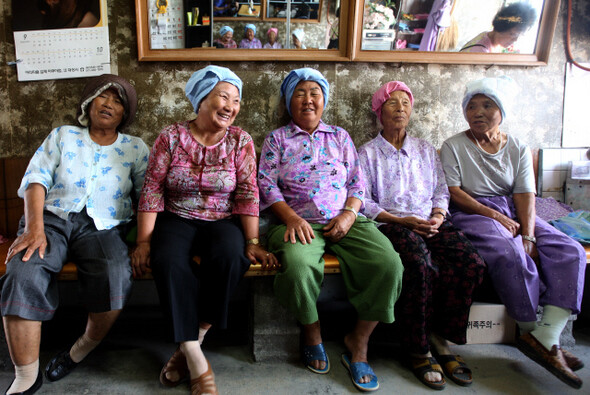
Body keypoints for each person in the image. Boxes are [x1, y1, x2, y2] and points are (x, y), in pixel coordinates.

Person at [132, 66, 276, 395]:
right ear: (201, 100)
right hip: (177, 217)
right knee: (166, 261)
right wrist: (143, 241)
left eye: (236, 100)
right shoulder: (170, 137)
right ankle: (197, 361)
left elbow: (248, 193)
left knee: (230, 258)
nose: (231, 106)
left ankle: (188, 346)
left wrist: (252, 240)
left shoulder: (241, 141)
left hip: (222, 219)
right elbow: (152, 189)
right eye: (222, 97)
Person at [0, 74, 149, 394]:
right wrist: (34, 228)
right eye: (102, 96)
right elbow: (35, 179)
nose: (109, 104)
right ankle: (25, 376)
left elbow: (149, 196)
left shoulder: (135, 148)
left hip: (104, 226)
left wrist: (144, 241)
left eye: (118, 101)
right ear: (88, 102)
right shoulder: (63, 136)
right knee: (23, 270)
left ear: (126, 114)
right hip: (50, 220)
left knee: (114, 274)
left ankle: (77, 351)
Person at [258, 68, 403, 392]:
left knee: (388, 264)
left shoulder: (340, 136)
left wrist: (349, 215)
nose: (308, 100)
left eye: (314, 93)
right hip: (296, 222)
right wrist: (292, 219)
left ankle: (359, 341)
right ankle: (311, 331)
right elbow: (265, 184)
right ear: (288, 100)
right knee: (297, 268)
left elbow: (357, 182)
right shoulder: (277, 139)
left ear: (324, 100)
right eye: (299, 93)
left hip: (345, 218)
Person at [440, 76, 586, 389]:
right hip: (473, 211)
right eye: (472, 106)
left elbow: (524, 194)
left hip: (511, 208)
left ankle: (548, 337)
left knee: (569, 250)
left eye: (487, 105)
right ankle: (533, 332)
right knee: (509, 252)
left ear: (501, 110)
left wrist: (529, 234)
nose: (478, 112)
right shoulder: (454, 146)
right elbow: (454, 191)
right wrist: (494, 215)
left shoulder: (517, 147)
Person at [357, 81, 486, 390]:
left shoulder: (426, 149)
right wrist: (401, 220)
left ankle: (441, 337)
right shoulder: (367, 153)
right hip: (393, 225)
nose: (400, 108)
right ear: (379, 111)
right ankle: (418, 347)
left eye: (405, 103)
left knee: (470, 261)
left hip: (432, 222)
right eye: (392, 103)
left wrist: (438, 217)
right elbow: (363, 201)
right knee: (419, 264)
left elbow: (442, 190)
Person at [460, 2, 537, 53]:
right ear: (502, 27)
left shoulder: (489, 38)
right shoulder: (480, 51)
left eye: (519, 36)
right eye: (513, 34)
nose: (515, 40)